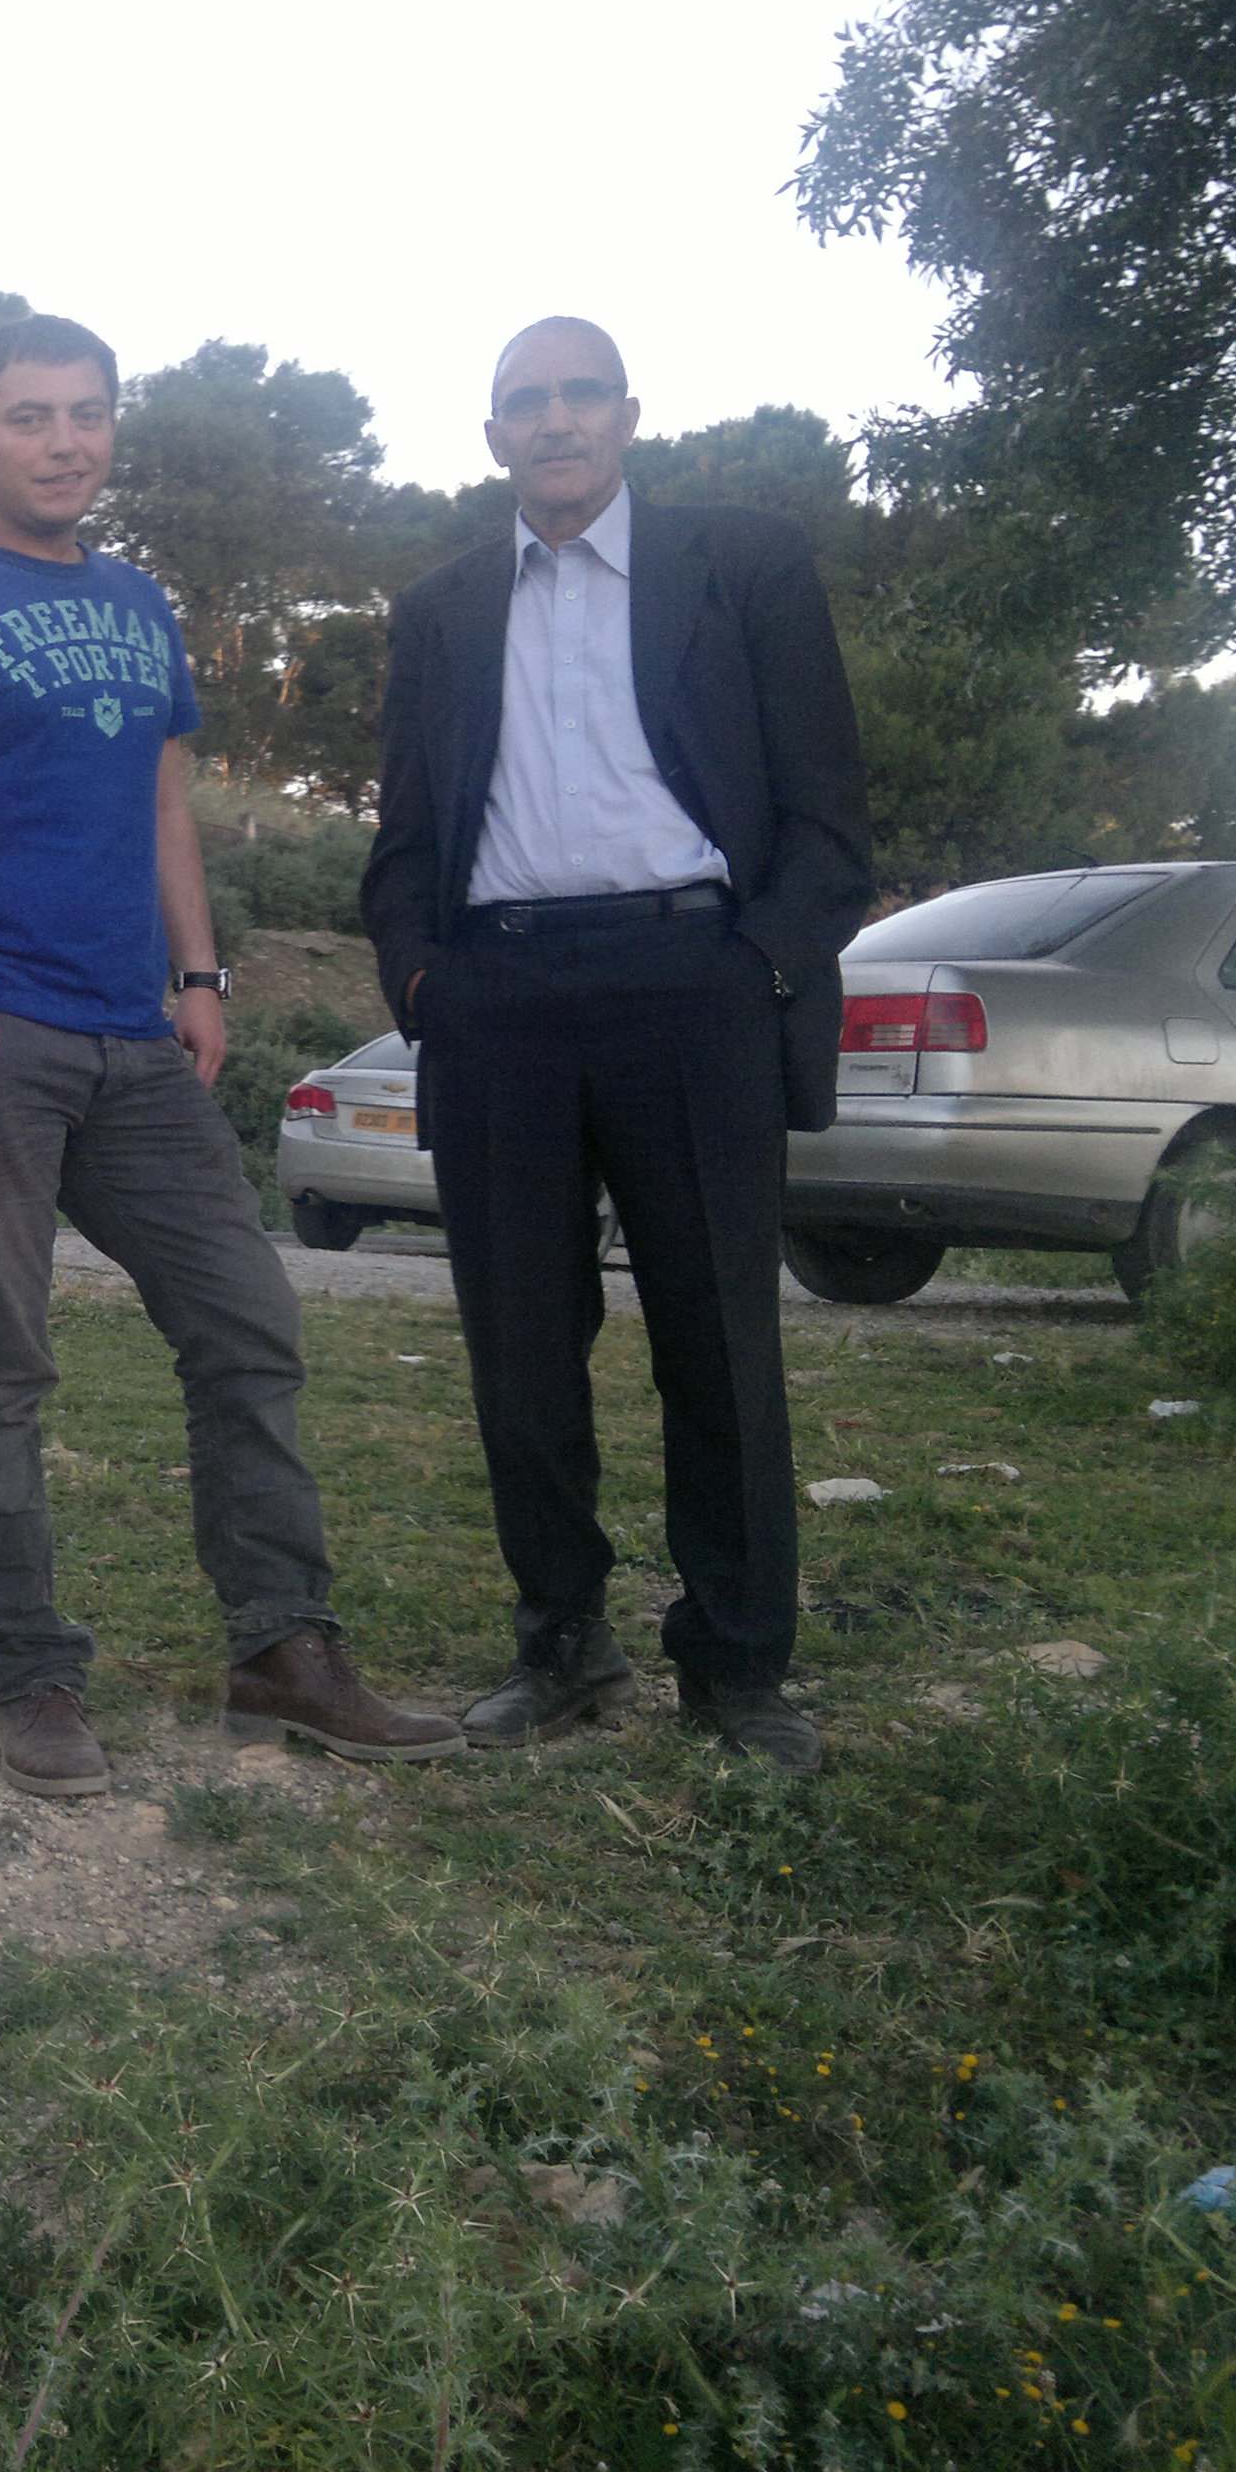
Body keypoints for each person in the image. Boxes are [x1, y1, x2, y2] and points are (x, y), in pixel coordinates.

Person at [0, 317, 459, 1797]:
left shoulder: (138, 603)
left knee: (248, 1323)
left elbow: (165, 806)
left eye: (88, 413)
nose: (64, 442)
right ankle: (34, 1678)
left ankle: (281, 1651)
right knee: (4, 1365)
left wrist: (198, 974)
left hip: (132, 1038)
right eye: (30, 416)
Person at [360, 318, 872, 1771]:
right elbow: (404, 838)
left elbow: (829, 811)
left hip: (695, 980)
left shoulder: (743, 563)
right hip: (500, 997)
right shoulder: (442, 607)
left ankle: (739, 1665)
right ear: (493, 438)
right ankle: (562, 1644)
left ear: (629, 415)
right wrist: (427, 981)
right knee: (520, 1349)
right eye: (526, 402)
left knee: (720, 1339)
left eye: (581, 394)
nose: (557, 420)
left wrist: (759, 967)